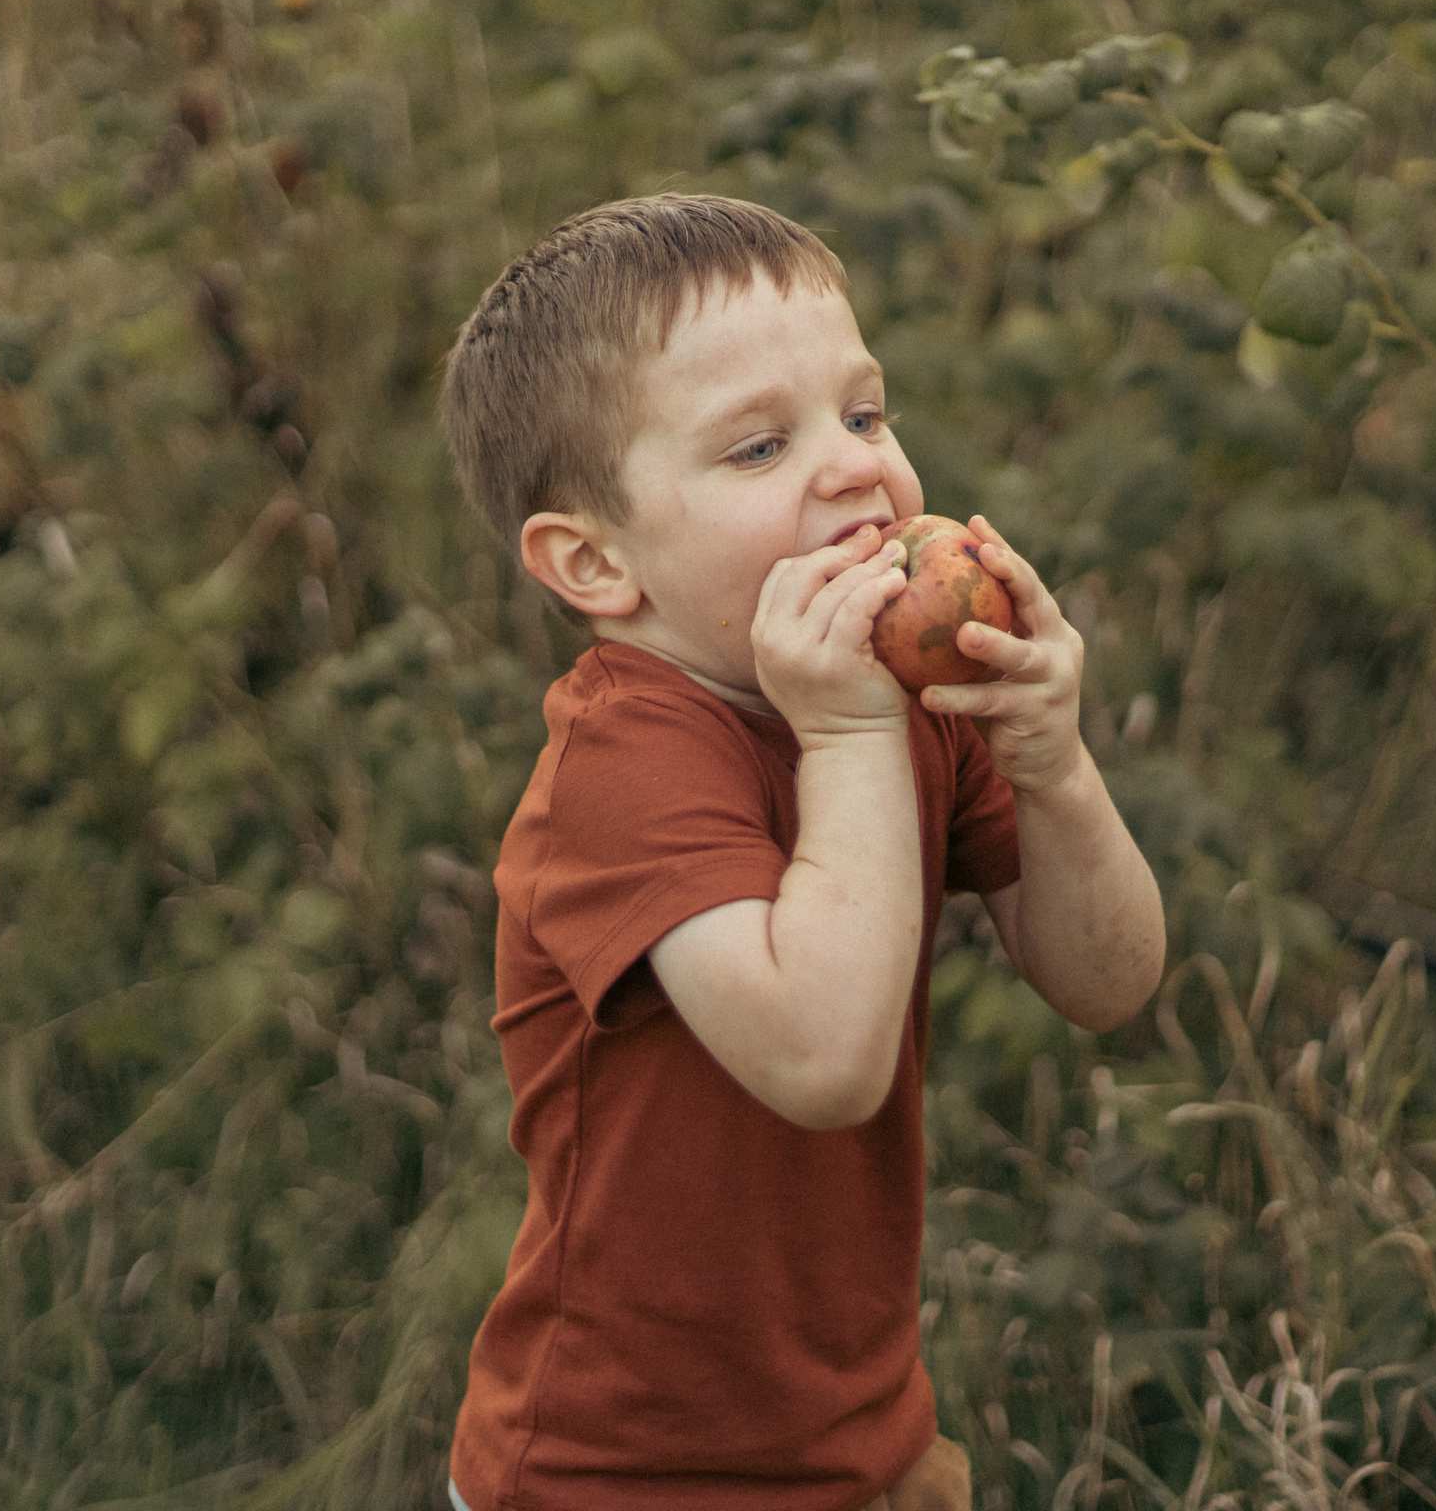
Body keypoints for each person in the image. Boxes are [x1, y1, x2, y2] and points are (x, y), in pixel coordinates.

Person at [437, 193, 1166, 1511]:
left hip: (861, 1443)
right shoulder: (620, 772)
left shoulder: (895, 696)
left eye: (867, 415)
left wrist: (1055, 765)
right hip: (619, 1478)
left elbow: (1108, 981)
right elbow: (825, 1059)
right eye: (760, 446)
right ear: (595, 563)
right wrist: (844, 736)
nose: (854, 468)